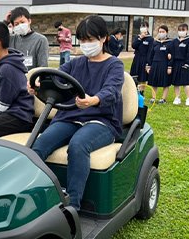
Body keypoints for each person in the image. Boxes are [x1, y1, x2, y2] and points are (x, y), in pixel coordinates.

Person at [31, 15, 124, 210]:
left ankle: (73, 205)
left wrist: (94, 100)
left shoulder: (114, 65)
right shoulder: (76, 63)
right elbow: (54, 77)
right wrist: (38, 84)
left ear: (104, 38)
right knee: (39, 145)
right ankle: (36, 196)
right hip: (71, 117)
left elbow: (112, 90)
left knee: (78, 145)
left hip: (101, 120)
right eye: (82, 40)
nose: (86, 44)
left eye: (90, 40)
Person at [146, 25, 173, 103]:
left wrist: (169, 66)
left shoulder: (170, 43)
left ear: (166, 32)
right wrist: (148, 66)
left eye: (163, 32)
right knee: (154, 82)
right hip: (155, 64)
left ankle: (163, 99)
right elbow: (150, 55)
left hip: (164, 65)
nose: (161, 33)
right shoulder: (155, 42)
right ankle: (153, 98)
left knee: (165, 82)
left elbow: (172, 56)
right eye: (160, 32)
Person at [171, 23, 189, 106]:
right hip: (175, 64)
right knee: (176, 83)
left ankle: (188, 99)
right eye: (180, 30)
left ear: (187, 31)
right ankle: (177, 98)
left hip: (184, 63)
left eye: (183, 30)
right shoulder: (174, 41)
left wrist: (187, 63)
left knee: (186, 82)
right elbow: (172, 53)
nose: (181, 32)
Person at [130, 22, 153, 89]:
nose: (143, 28)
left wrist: (148, 63)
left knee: (142, 78)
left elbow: (150, 52)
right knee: (134, 76)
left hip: (144, 59)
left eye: (144, 26)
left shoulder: (150, 39)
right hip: (137, 58)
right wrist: (140, 38)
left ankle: (141, 92)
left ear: (147, 28)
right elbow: (133, 46)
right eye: (141, 26)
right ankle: (134, 91)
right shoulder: (138, 37)